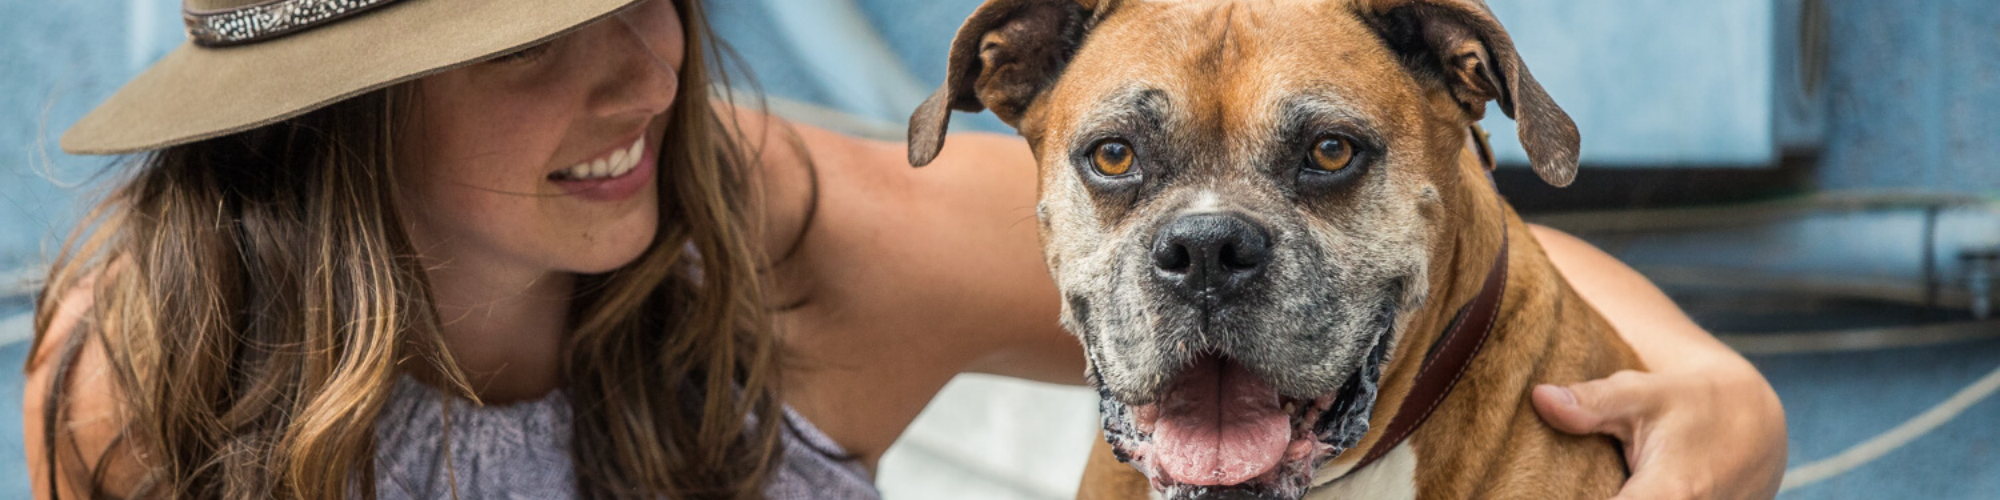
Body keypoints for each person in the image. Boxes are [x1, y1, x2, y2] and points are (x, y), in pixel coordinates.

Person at [22, 0, 1784, 499]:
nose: (637, 69)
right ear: (336, 115)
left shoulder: (770, 237)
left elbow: (1305, 240)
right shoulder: (162, 369)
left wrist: (1712, 385)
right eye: (525, 40)